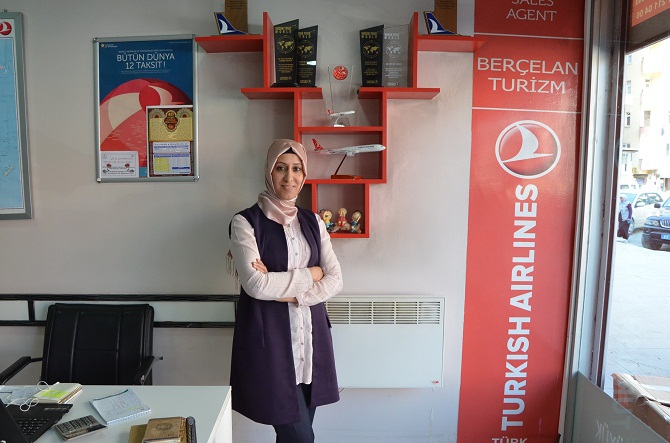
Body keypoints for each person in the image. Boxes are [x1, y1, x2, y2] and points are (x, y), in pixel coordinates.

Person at [227, 139, 343, 442]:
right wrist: (312, 274)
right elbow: (256, 285)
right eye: (281, 168)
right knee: (302, 438)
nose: (289, 177)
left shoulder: (314, 222)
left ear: (304, 175)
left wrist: (286, 290)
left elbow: (335, 280)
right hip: (271, 343)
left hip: (311, 342)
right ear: (269, 171)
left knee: (293, 437)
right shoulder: (244, 223)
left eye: (296, 169)